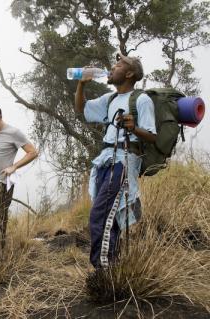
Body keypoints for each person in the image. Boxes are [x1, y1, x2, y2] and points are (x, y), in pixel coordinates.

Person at [74, 53, 157, 268]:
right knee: (111, 216)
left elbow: (152, 135)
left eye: (118, 64)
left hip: (123, 161)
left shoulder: (141, 99)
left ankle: (103, 271)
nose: (112, 67)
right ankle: (113, 267)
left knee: (100, 216)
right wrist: (82, 84)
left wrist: (133, 128)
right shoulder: (110, 99)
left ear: (129, 73)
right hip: (104, 161)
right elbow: (82, 108)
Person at [0, 105, 38, 257]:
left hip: (1, 183)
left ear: (0, 117)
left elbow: (32, 152)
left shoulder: (13, 133)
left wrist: (14, 166)